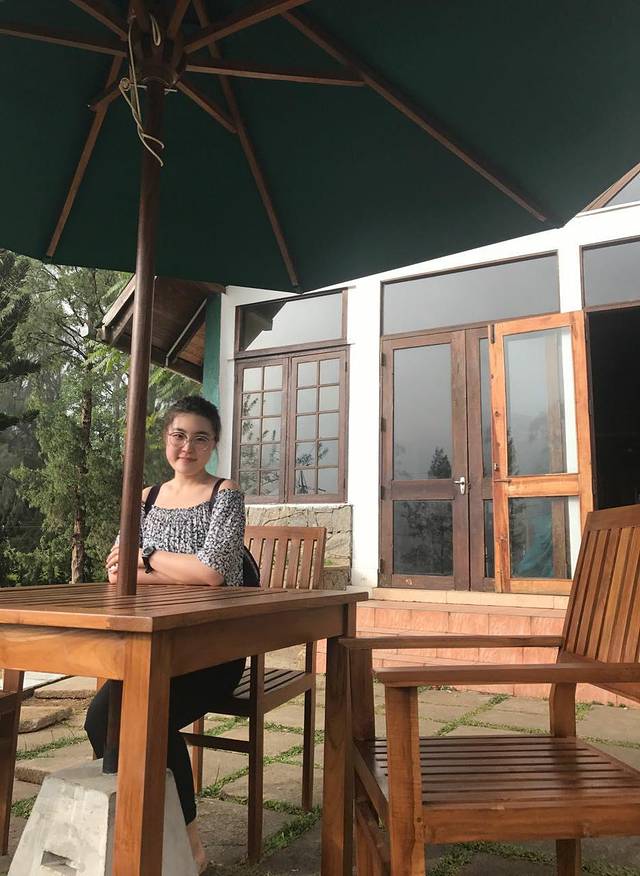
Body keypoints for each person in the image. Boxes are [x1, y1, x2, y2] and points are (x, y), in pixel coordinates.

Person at [84, 395, 246, 874]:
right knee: (102, 721)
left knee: (145, 719)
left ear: (213, 445)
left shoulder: (225, 494)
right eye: (179, 435)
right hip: (151, 646)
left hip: (212, 649)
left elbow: (214, 573)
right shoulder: (146, 497)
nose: (187, 447)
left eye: (200, 438)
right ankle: (157, 829)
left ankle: (186, 841)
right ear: (165, 440)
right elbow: (116, 570)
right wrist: (173, 568)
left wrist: (148, 559)